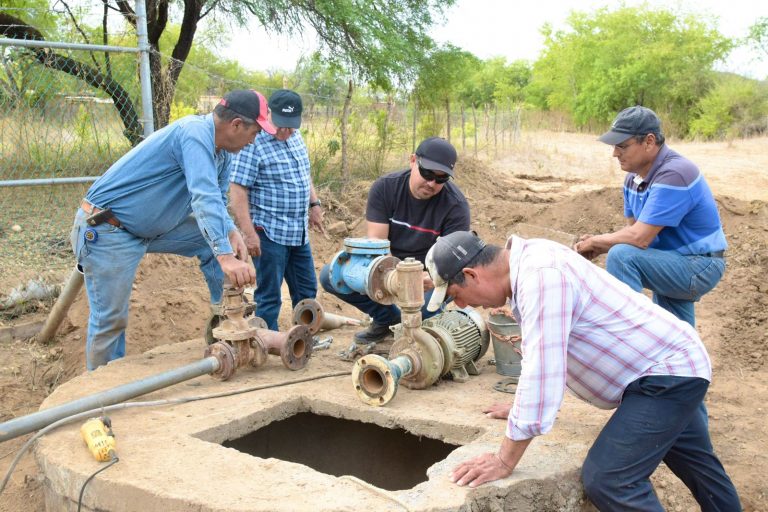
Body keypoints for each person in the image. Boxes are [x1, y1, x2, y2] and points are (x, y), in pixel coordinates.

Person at [426, 231, 741, 511]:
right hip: (670, 362)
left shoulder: (541, 276)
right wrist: (521, 406)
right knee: (697, 464)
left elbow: (542, 369)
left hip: (666, 373)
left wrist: (504, 459)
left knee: (609, 479)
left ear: (471, 274)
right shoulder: (533, 260)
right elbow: (551, 353)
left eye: (456, 296)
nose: (466, 305)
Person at [71, 89, 273, 370]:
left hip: (146, 229)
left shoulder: (222, 155)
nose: (253, 142)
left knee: (208, 244)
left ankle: (228, 320)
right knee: (111, 320)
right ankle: (102, 392)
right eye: (254, 133)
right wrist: (226, 257)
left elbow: (216, 197)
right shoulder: (194, 134)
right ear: (236, 125)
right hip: (108, 230)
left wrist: (230, 232)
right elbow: (202, 196)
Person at [574, 106, 727, 327]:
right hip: (673, 259)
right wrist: (597, 245)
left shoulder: (675, 173)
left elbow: (638, 239)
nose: (615, 153)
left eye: (622, 146)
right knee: (675, 336)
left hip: (700, 265)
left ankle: (633, 339)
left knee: (621, 256)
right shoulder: (632, 180)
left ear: (648, 141)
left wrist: (597, 241)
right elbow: (634, 237)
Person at [319, 137, 470, 345]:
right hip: (388, 267)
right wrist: (394, 282)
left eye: (441, 178)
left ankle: (413, 325)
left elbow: (451, 266)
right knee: (332, 276)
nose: (431, 183)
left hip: (428, 277)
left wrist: (430, 280)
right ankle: (386, 319)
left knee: (425, 309)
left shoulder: (456, 206)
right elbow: (377, 248)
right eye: (427, 173)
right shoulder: (385, 188)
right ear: (412, 161)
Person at [229, 89, 324, 331]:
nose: (285, 131)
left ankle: (303, 339)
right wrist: (249, 234)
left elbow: (304, 174)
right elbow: (238, 190)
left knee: (307, 291)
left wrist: (314, 204)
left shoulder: (296, 136)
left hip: (297, 231)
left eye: (291, 126)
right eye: (281, 125)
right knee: (269, 295)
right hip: (268, 232)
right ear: (269, 113)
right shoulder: (253, 142)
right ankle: (268, 342)